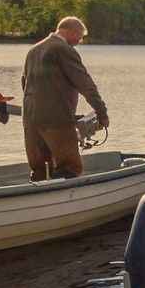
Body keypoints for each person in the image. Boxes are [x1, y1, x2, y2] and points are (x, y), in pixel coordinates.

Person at [20, 16, 109, 180]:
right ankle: (69, 195)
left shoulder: (33, 50)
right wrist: (101, 113)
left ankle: (40, 193)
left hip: (30, 118)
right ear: (72, 31)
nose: (79, 41)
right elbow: (85, 84)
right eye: (79, 37)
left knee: (40, 169)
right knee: (70, 167)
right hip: (56, 119)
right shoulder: (63, 49)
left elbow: (25, 83)